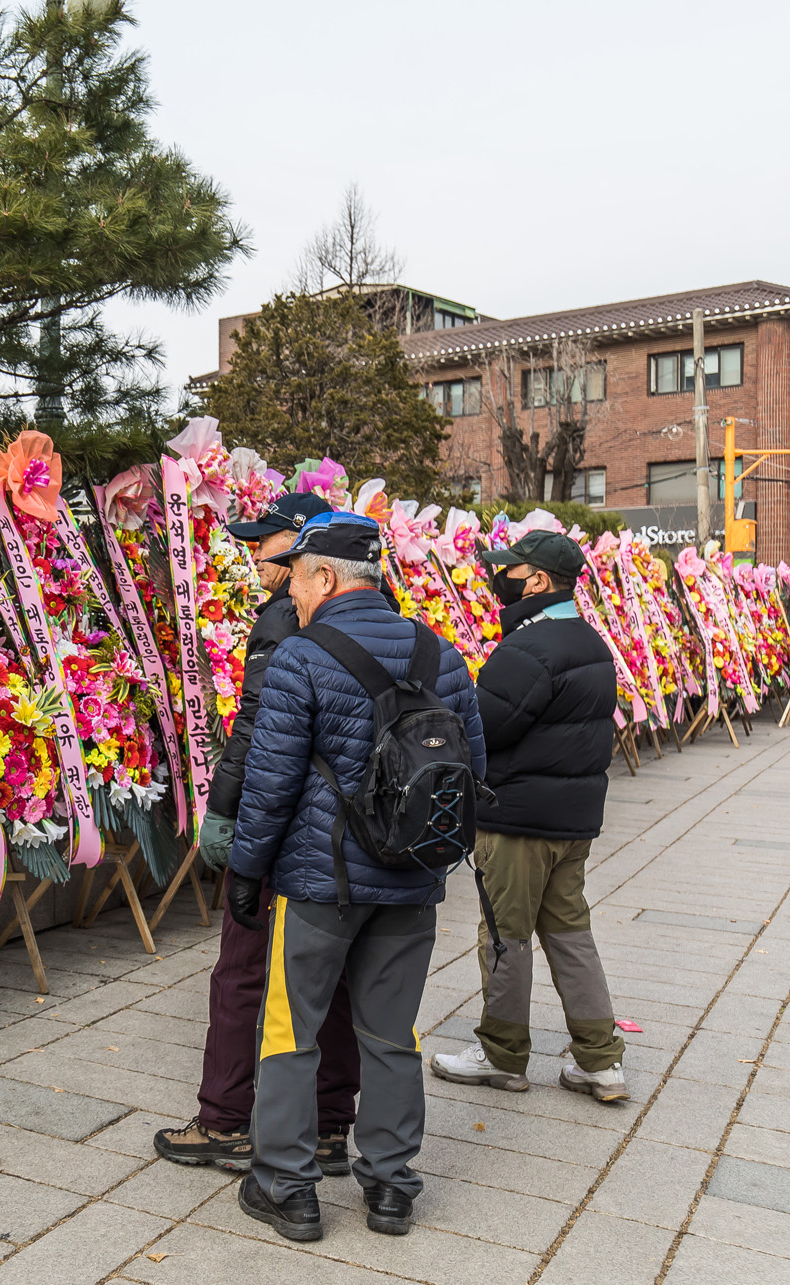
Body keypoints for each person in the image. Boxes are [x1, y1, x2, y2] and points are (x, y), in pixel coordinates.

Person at [225, 512, 486, 1242]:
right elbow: (474, 773)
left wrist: (246, 870)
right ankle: (391, 1188)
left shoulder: (301, 658)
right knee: (391, 1034)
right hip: (411, 885)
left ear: (328, 577)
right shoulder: (444, 655)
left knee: (290, 1030)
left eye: (301, 578)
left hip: (319, 884)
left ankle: (287, 1186)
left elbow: (270, 784)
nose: (295, 595)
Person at [155, 492, 363, 1175]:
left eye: (265, 543)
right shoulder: (375, 615)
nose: (253, 556)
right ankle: (332, 1123)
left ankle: (224, 1118)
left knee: (243, 969)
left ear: (304, 552)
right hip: (342, 828)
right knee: (332, 975)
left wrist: (226, 812)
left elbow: (256, 726)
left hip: (277, 820)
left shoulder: (284, 614)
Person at [432, 529, 626, 1102]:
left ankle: (501, 1053)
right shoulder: (590, 642)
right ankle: (600, 1060)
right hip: (573, 822)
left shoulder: (528, 647)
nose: (501, 579)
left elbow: (481, 728)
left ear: (537, 580)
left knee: (504, 935)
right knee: (570, 933)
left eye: (510, 571)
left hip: (518, 821)